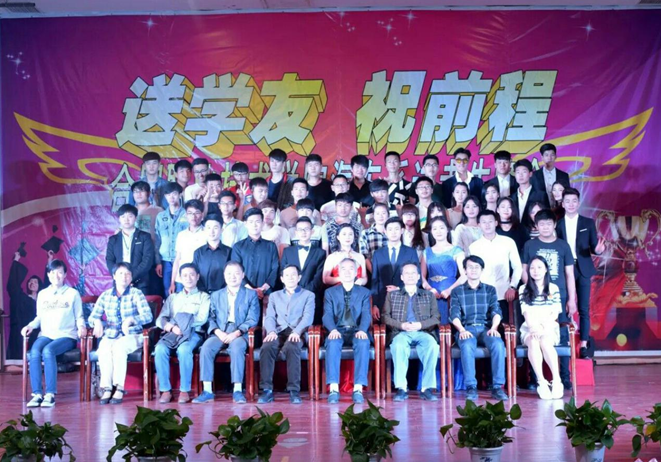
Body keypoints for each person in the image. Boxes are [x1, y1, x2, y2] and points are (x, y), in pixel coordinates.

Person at [522, 209, 577, 390]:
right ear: (536, 226)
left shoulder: (563, 245)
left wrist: (571, 299)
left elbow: (569, 274)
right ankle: (535, 379)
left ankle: (564, 377)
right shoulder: (530, 245)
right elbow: (524, 270)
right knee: (535, 336)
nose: (545, 227)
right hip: (534, 297)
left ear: (554, 225)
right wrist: (531, 289)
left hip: (557, 297)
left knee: (561, 336)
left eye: (548, 224)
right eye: (541, 224)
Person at [193, 262, 260, 404]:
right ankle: (207, 390)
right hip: (220, 332)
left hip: (240, 332)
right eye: (229, 273)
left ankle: (237, 390)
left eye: (236, 273)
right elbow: (210, 318)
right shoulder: (216, 295)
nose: (232, 276)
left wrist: (236, 333)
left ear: (243, 275)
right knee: (206, 348)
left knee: (237, 348)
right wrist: (218, 332)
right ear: (224, 275)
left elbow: (253, 319)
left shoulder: (251, 294)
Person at [22, 260, 85, 408]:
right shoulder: (43, 294)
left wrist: (81, 327)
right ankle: (37, 394)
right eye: (52, 272)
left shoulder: (72, 293)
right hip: (46, 334)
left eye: (59, 272)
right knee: (35, 351)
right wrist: (30, 326)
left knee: (48, 351)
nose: (56, 275)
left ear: (65, 275)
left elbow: (79, 316)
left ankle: (50, 394)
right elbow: (39, 317)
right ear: (48, 274)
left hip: (66, 335)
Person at [89, 262, 154, 405]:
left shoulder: (136, 294)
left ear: (131, 277)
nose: (124, 277)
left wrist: (132, 320)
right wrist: (97, 322)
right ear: (114, 276)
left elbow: (148, 316)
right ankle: (107, 388)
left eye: (127, 274)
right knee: (104, 348)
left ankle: (119, 387)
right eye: (120, 274)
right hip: (111, 335)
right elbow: (92, 317)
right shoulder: (106, 295)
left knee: (119, 347)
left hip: (133, 335)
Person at [450, 255, 508, 401]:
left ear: (482, 270)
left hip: (486, 328)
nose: (473, 270)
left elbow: (496, 311)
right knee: (467, 345)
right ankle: (471, 387)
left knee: (498, 344)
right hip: (466, 328)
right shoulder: (457, 291)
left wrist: (494, 327)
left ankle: (497, 387)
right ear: (464, 270)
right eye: (470, 267)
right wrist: (461, 330)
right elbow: (454, 314)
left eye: (477, 267)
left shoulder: (490, 290)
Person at [556, 188, 605, 358]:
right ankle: (564, 341)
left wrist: (598, 250)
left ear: (578, 203)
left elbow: (594, 246)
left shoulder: (588, 223)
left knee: (584, 308)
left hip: (582, 268)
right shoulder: (557, 224)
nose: (571, 204)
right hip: (564, 269)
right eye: (567, 201)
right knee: (563, 306)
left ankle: (584, 344)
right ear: (562, 204)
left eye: (574, 201)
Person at [383, 263, 440, 402]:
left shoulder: (428, 295)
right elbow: (385, 317)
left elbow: (436, 317)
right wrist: (401, 325)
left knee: (432, 346)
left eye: (413, 273)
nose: (410, 276)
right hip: (401, 332)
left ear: (418, 276)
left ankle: (427, 388)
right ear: (402, 277)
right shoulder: (392, 295)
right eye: (407, 273)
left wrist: (420, 324)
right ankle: (401, 388)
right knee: (398, 346)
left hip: (423, 331)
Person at [258, 265, 315, 404]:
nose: (290, 278)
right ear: (282, 279)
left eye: (293, 275)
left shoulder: (308, 295)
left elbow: (308, 317)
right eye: (287, 275)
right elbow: (269, 317)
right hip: (278, 331)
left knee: (291, 347)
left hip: (297, 331)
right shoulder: (274, 296)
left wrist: (297, 331)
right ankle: (267, 390)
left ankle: (294, 390)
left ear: (299, 277)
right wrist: (271, 331)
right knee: (267, 347)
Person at [154, 263, 210, 404]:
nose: (188, 278)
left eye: (192, 275)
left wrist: (182, 324)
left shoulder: (204, 297)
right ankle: (166, 390)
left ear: (197, 277)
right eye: (185, 275)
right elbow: (160, 319)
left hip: (193, 333)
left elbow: (201, 319)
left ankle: (184, 390)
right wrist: (171, 327)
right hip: (173, 333)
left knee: (184, 350)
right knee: (159, 349)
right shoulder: (173, 298)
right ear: (180, 278)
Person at [323, 258, 372, 404]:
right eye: (343, 269)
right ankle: (333, 389)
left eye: (351, 268)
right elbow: (327, 315)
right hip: (338, 330)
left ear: (356, 272)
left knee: (363, 342)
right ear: (339, 271)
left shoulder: (364, 292)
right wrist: (332, 330)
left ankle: (358, 389)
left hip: (357, 330)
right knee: (332, 342)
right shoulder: (330, 292)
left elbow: (366, 314)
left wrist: (363, 330)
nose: (347, 272)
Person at [519, 256, 564, 400]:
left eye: (539, 267)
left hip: (549, 327)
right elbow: (526, 312)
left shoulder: (553, 288)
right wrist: (533, 327)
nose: (535, 271)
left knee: (544, 341)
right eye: (532, 268)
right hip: (530, 328)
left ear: (545, 270)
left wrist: (542, 327)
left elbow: (555, 312)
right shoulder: (523, 289)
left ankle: (556, 380)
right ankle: (541, 382)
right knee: (533, 341)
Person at [469, 210, 522, 324]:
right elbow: (472, 272)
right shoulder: (474, 247)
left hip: (504, 293)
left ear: (496, 223)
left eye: (490, 221)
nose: (487, 225)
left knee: (504, 327)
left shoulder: (508, 242)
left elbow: (517, 266)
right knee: (483, 327)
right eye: (484, 222)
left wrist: (513, 286)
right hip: (482, 294)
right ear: (479, 225)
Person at [370, 218, 420, 321]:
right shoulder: (378, 254)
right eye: (390, 229)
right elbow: (375, 281)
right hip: (383, 302)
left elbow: (418, 280)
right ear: (385, 231)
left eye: (396, 229)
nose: (393, 232)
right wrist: (374, 304)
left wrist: (399, 289)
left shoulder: (411, 252)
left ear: (402, 230)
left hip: (406, 300)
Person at [421, 216, 466, 324]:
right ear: (431, 232)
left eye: (441, 228)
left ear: (448, 230)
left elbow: (464, 275)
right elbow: (421, 276)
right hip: (431, 293)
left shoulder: (457, 250)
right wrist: (429, 289)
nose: (438, 231)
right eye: (435, 228)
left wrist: (449, 290)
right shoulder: (426, 252)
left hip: (451, 292)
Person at [281, 217, 326, 322]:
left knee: (312, 328)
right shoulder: (287, 251)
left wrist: (303, 294)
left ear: (312, 231)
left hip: (312, 298)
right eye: (300, 229)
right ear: (296, 232)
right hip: (290, 298)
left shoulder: (320, 253)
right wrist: (293, 292)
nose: (303, 232)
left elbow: (318, 278)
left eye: (306, 229)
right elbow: (283, 273)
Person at [231, 208, 280, 300]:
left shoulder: (271, 246)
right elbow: (236, 270)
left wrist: (263, 288)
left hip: (267, 294)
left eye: (257, 221)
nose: (254, 225)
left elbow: (275, 269)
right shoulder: (238, 247)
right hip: (244, 293)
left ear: (262, 223)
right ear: (245, 224)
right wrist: (252, 290)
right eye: (251, 222)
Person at [106, 204, 155, 294]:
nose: (126, 219)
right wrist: (120, 277)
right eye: (123, 216)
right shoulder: (113, 239)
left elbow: (147, 260)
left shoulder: (145, 237)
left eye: (130, 216)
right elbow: (109, 260)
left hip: (141, 281)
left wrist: (131, 277)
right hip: (120, 283)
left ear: (135, 218)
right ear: (119, 219)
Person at [6, 251, 42, 360]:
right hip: (22, 333)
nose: (32, 283)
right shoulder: (21, 298)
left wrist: (49, 261)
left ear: (40, 285)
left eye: (35, 282)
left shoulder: (44, 299)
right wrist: (16, 260)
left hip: (38, 333)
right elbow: (12, 286)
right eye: (30, 282)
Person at [155, 182, 189, 295]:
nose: (171, 197)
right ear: (165, 196)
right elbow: (157, 240)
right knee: (167, 290)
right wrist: (158, 262)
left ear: (180, 194)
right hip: (165, 260)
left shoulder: (187, 215)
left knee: (181, 289)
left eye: (174, 193)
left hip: (183, 259)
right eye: (168, 194)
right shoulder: (161, 216)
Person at [170, 200, 206, 294]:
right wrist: (172, 282)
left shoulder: (207, 233)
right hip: (181, 279)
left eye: (197, 213)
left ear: (202, 214)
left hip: (200, 278)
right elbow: (177, 259)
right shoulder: (181, 235)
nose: (193, 216)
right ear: (186, 215)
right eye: (190, 213)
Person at [193, 214, 232, 293]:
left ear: (222, 229)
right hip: (201, 294)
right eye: (208, 227)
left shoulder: (229, 252)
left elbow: (231, 274)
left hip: (223, 294)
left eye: (215, 228)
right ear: (204, 229)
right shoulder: (198, 252)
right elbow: (195, 273)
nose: (211, 231)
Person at [359, 202, 389, 272]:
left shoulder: (394, 232)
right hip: (372, 271)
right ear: (373, 215)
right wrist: (374, 273)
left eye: (383, 213)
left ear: (388, 214)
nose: (380, 216)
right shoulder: (365, 233)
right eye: (377, 213)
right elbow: (364, 255)